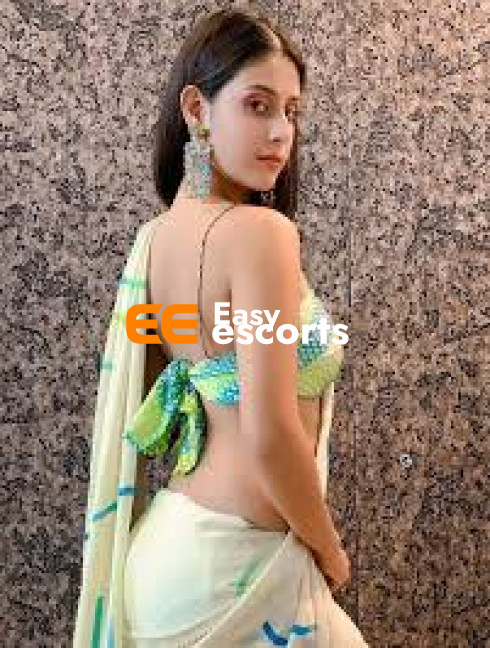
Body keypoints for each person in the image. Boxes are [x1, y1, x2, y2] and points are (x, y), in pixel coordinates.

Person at [73, 8, 369, 647]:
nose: (281, 132)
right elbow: (268, 431)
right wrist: (329, 550)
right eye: (257, 105)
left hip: (170, 557)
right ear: (197, 109)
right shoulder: (261, 235)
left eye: (291, 111)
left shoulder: (157, 240)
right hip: (240, 571)